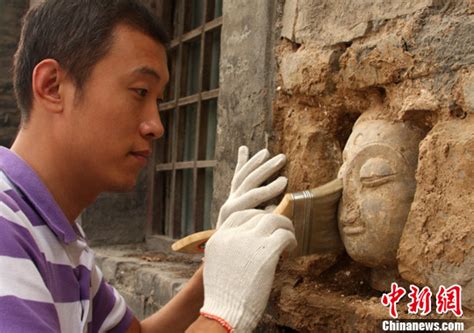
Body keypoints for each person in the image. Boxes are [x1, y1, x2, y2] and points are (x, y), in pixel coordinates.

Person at [0, 1, 296, 332]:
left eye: (157, 99)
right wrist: (223, 314)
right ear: (52, 86)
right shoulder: (5, 228)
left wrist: (218, 265)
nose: (156, 125)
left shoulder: (59, 234)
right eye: (139, 91)